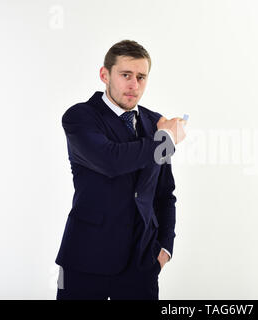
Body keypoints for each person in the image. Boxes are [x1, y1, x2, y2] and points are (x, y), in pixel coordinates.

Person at [55, 40, 186, 300]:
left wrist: (164, 249)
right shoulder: (79, 117)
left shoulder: (154, 122)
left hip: (142, 267)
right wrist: (165, 140)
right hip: (85, 262)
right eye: (125, 75)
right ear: (105, 75)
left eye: (141, 77)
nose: (134, 85)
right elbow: (110, 161)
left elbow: (164, 195)